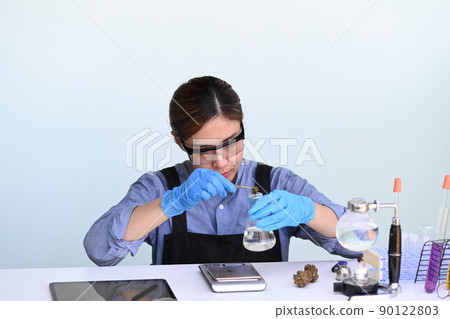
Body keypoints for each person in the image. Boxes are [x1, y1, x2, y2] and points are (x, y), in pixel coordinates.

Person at [84, 76, 360, 266]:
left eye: (231, 143)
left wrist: (308, 211)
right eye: (205, 149)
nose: (222, 161)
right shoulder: (159, 188)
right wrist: (169, 204)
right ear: (180, 143)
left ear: (242, 128)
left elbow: (358, 244)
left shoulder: (276, 182)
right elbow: (98, 252)